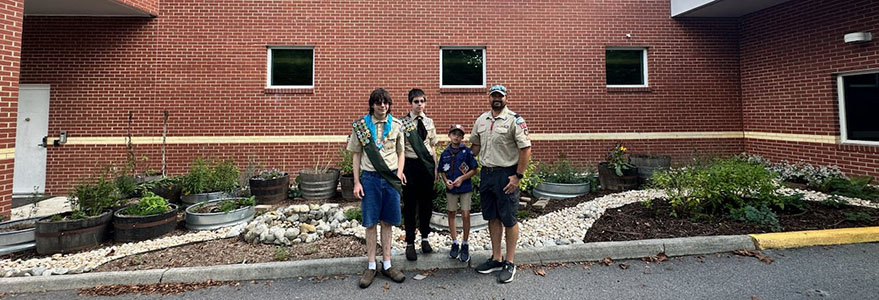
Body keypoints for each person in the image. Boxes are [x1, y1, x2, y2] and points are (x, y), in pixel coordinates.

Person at [469, 84, 532, 283]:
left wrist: (518, 176)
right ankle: (496, 258)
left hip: (506, 175)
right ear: (489, 98)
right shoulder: (481, 119)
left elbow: (525, 149)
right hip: (487, 175)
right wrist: (459, 166)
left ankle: (510, 262)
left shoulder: (515, 120)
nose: (497, 98)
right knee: (492, 217)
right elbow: (475, 147)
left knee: (509, 218)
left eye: (500, 96)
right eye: (493, 95)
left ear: (506, 98)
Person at [347, 88, 407, 288]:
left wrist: (398, 174)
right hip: (370, 179)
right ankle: (371, 265)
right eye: (379, 102)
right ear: (372, 104)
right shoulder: (362, 126)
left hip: (390, 179)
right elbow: (356, 154)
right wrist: (357, 182)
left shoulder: (397, 125)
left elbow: (401, 153)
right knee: (371, 223)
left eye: (386, 103)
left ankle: (387, 264)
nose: (383, 106)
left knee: (388, 222)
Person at [399, 88, 439, 261]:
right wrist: (400, 171)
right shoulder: (403, 123)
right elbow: (399, 149)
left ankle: (425, 238)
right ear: (410, 103)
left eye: (422, 101)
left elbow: (433, 147)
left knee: (426, 204)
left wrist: (435, 168)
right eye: (416, 101)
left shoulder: (429, 122)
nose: (419, 104)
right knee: (409, 206)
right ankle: (409, 242)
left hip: (426, 167)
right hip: (410, 166)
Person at [437, 124, 478, 263]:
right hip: (451, 189)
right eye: (454, 134)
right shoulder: (445, 153)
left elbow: (474, 169)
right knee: (452, 212)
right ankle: (454, 241)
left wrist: (461, 178)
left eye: (459, 135)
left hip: (465, 187)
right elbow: (442, 170)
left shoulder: (466, 152)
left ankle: (465, 243)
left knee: (465, 214)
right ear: (449, 135)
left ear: (462, 137)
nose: (456, 137)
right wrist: (446, 180)